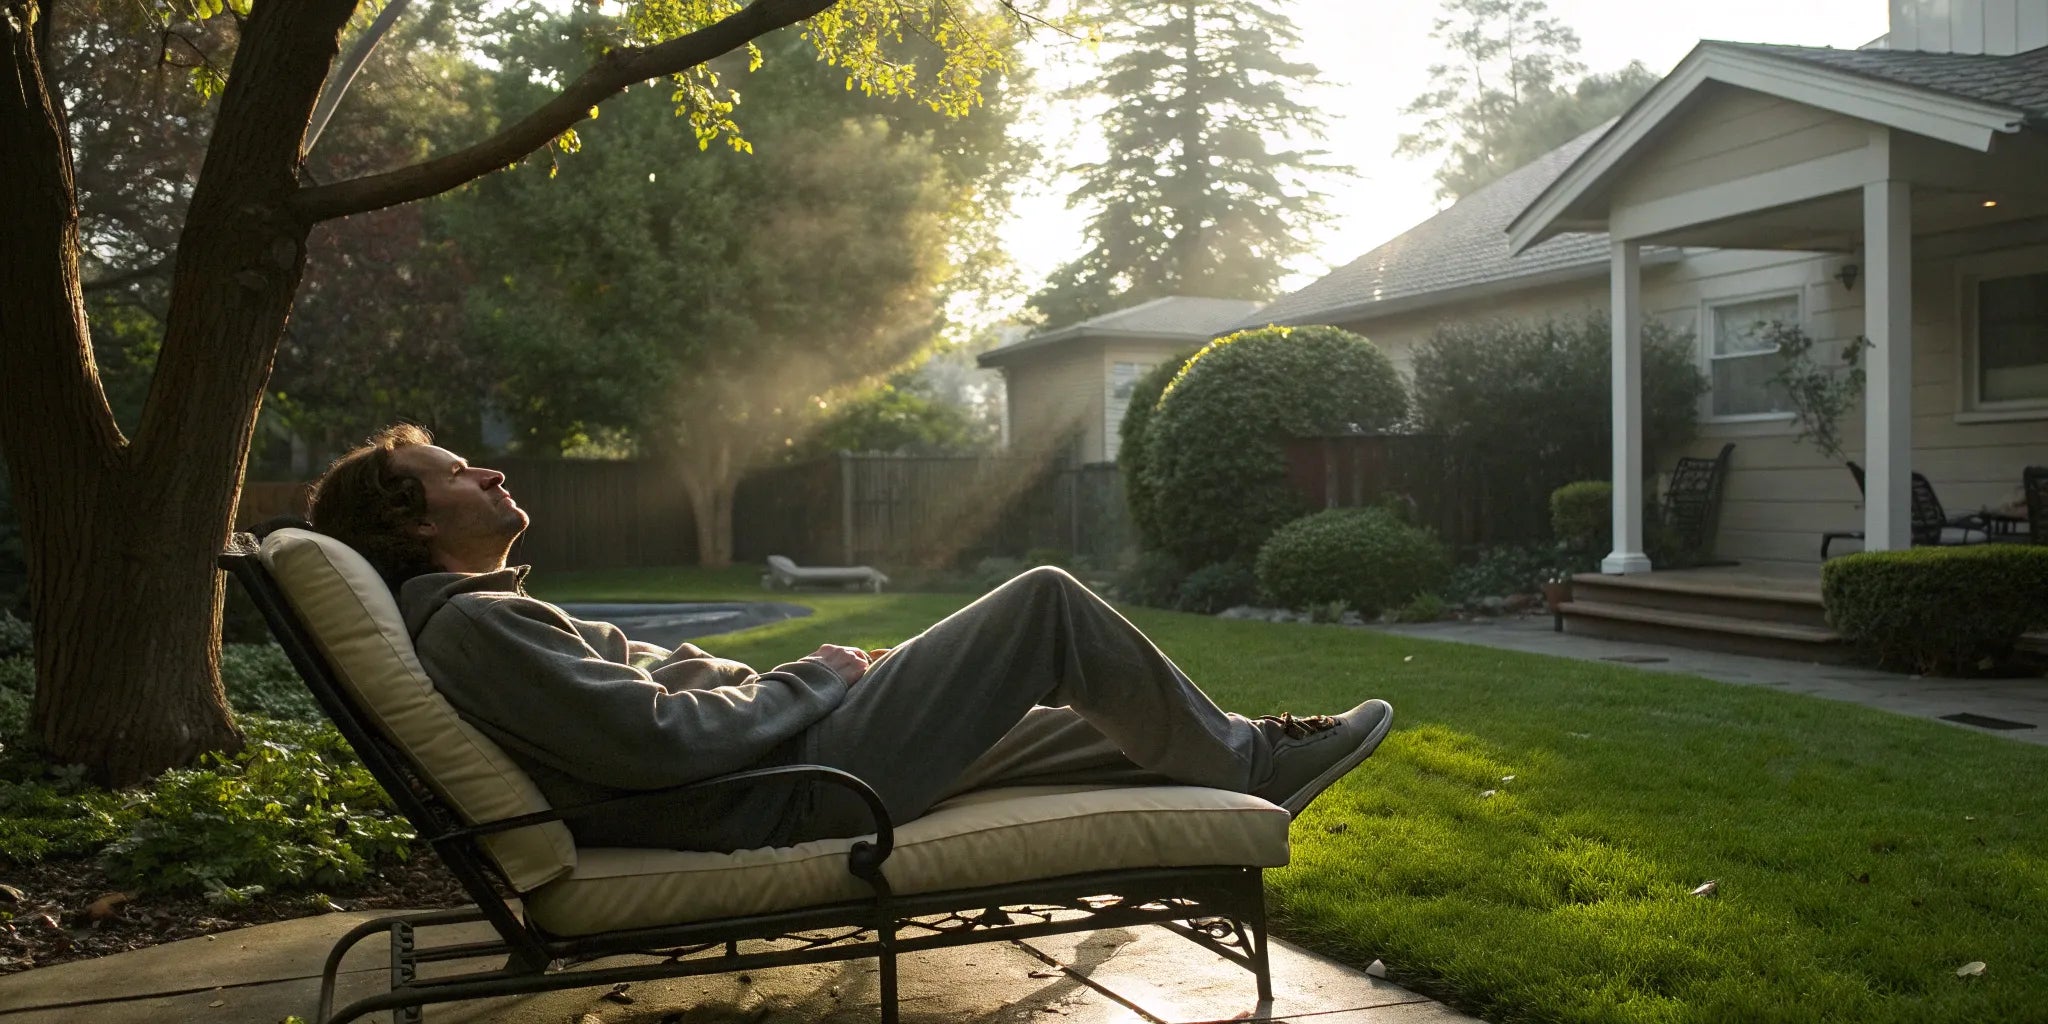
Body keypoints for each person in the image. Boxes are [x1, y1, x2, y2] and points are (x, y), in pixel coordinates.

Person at [307, 424, 1393, 853]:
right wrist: (813, 678)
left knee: (1054, 713)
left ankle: (1251, 750)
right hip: (786, 787)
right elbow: (658, 740)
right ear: (412, 524)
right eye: (457, 473)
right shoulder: (478, 626)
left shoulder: (484, 617)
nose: (489, 471)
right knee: (1044, 604)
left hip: (783, 759)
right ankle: (1250, 762)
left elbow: (659, 697)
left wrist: (816, 681)